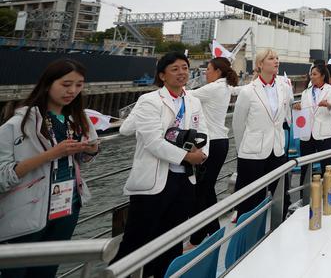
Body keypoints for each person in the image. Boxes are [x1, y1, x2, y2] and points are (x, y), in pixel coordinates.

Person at [0, 59, 99, 278]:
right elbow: (2, 176)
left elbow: (81, 161)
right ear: (47, 84)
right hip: (28, 211)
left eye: (79, 85)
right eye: (66, 84)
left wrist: (90, 150)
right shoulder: (18, 124)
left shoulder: (78, 119)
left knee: (47, 271)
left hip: (68, 206)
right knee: (15, 272)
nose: (72, 91)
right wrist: (51, 154)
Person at [115, 52, 208, 278]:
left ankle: (164, 274)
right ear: (162, 76)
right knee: (137, 238)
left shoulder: (193, 101)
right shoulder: (150, 101)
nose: (182, 72)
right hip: (154, 181)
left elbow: (204, 132)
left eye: (185, 67)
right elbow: (153, 142)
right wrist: (188, 157)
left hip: (183, 179)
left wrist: (203, 153)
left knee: (173, 238)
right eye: (174, 69)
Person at [232, 48, 292, 219]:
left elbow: (285, 113)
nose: (276, 61)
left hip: (277, 149)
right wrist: (243, 148)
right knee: (250, 199)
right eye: (271, 58)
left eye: (277, 57)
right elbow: (238, 124)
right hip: (252, 153)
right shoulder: (248, 91)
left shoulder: (284, 87)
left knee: (282, 193)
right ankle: (249, 234)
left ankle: (280, 225)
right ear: (260, 64)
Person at [187, 56, 239, 246]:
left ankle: (200, 235)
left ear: (217, 71)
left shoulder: (214, 88)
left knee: (201, 191)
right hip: (219, 142)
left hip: (212, 143)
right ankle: (212, 230)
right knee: (206, 189)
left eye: (207, 70)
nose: (205, 73)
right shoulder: (223, 86)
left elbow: (185, 95)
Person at [295, 65, 331, 181]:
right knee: (305, 167)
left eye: (315, 74)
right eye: (311, 74)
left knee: (326, 167)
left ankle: (327, 193)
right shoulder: (305, 92)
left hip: (324, 133)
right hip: (307, 134)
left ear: (323, 76)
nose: (312, 77)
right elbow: (305, 110)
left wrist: (328, 105)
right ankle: (304, 195)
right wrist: (298, 107)